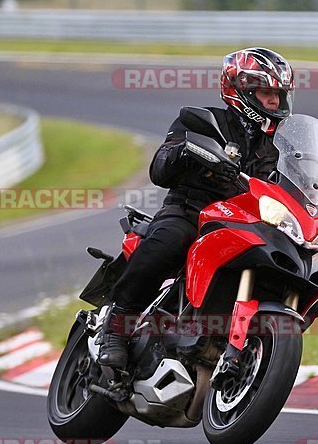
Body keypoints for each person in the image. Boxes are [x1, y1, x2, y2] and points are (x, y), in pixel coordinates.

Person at [97, 47, 296, 369]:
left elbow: (300, 184)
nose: (274, 102)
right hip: (192, 210)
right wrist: (185, 152)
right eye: (266, 93)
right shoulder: (203, 121)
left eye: (279, 94)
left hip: (248, 223)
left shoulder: (281, 146)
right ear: (241, 91)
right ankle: (116, 329)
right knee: (171, 240)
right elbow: (160, 171)